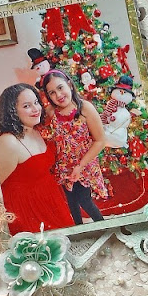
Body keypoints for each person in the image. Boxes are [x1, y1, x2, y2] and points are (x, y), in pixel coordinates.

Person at [0, 83, 74, 235]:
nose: (36, 109)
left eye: (36, 102)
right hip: (26, 210)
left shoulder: (35, 130)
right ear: (12, 111)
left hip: (50, 200)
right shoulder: (8, 141)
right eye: (27, 106)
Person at [40, 69, 107, 224]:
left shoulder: (85, 108)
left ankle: (104, 226)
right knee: (71, 202)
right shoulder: (51, 112)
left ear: (69, 85)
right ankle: (78, 228)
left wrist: (80, 166)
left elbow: (100, 141)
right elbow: (42, 131)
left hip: (84, 164)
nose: (58, 95)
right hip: (64, 167)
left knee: (84, 199)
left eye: (60, 88)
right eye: (52, 93)